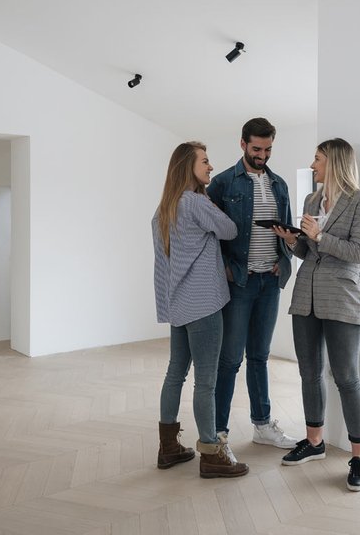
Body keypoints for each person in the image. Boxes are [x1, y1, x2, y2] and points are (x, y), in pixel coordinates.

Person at [271, 138, 360, 492]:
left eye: (317, 160)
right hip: (306, 299)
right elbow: (307, 250)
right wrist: (291, 240)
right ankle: (314, 442)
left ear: (334, 162)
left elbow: (358, 251)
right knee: (309, 373)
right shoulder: (312, 200)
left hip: (343, 299)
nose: (312, 165)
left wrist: (319, 234)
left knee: (346, 377)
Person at [152, 141, 249, 479]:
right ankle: (211, 453)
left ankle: (168, 447)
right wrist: (211, 203)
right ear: (187, 167)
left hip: (178, 305)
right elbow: (230, 229)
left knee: (175, 374)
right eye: (205, 162)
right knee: (205, 383)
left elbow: (162, 265)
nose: (210, 167)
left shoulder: (163, 210)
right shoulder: (195, 203)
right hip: (205, 305)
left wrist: (167, 307)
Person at [207, 117, 299, 454]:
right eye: (257, 148)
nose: (262, 155)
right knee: (229, 360)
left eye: (268, 149)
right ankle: (217, 436)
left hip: (269, 282)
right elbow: (208, 235)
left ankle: (262, 425)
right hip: (239, 283)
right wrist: (226, 270)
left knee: (260, 356)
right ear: (243, 144)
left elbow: (286, 233)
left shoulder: (279, 185)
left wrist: (285, 252)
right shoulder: (221, 184)